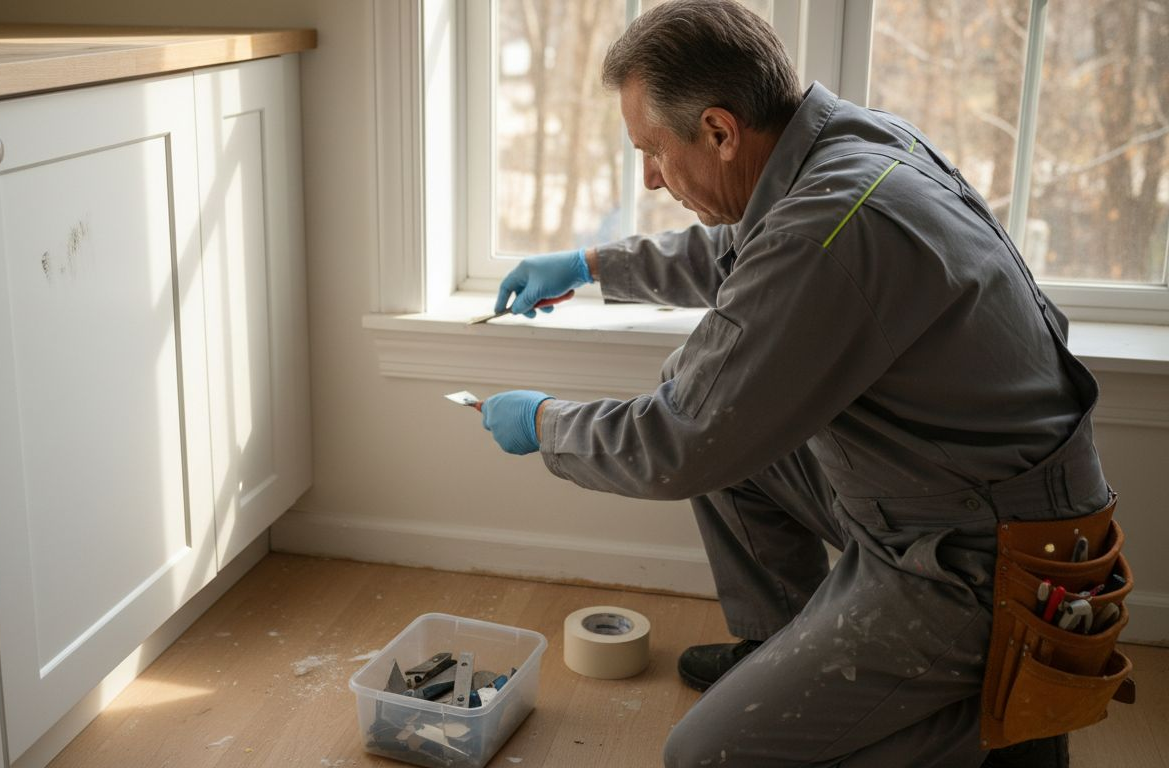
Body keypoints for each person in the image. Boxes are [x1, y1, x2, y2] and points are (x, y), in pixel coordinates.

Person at [475, 1, 1110, 766]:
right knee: (740, 439)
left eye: (653, 151)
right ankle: (786, 650)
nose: (648, 178)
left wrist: (543, 423)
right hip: (947, 490)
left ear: (718, 130)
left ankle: (1005, 721)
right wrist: (590, 266)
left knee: (706, 756)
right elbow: (740, 254)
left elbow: (678, 442)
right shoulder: (845, 145)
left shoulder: (828, 227)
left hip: (985, 559)